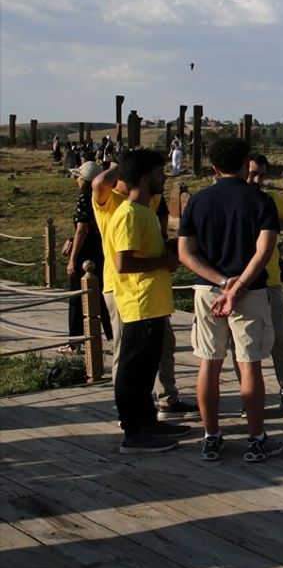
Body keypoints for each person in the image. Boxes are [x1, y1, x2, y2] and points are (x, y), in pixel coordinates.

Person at [178, 136, 282, 463]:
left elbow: (185, 253)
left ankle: (211, 437)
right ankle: (256, 437)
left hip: (209, 290)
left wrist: (222, 282)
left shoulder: (197, 201)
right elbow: (263, 252)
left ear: (213, 167)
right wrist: (237, 287)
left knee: (209, 362)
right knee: (249, 364)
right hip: (250, 291)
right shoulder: (261, 201)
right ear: (244, 164)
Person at [92, 162, 194, 418]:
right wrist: (124, 162)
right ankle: (128, 411)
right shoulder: (111, 202)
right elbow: (99, 183)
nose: (163, 177)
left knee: (161, 347)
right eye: (158, 172)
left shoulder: (145, 203)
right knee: (127, 353)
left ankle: (165, 399)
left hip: (150, 291)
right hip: (122, 288)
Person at [106, 149, 189, 454]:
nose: (163, 177)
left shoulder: (145, 211)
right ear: (144, 177)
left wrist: (166, 250)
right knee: (133, 370)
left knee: (147, 369)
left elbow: (145, 253)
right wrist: (162, 263)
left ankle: (148, 421)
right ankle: (133, 431)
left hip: (153, 303)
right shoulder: (128, 214)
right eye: (159, 172)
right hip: (139, 303)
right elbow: (123, 264)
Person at [244, 154, 283, 417]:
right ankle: (248, 397)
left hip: (269, 282)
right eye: (252, 174)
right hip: (242, 283)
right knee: (245, 346)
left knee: (280, 341)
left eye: (261, 175)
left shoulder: (269, 200)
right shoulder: (234, 200)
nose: (256, 180)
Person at [66, 161, 113, 346]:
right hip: (100, 247)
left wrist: (72, 258)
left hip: (86, 250)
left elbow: (81, 229)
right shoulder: (103, 197)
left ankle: (75, 341)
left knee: (77, 295)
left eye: (78, 177)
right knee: (101, 292)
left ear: (84, 180)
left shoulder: (84, 198)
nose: (76, 180)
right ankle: (113, 333)